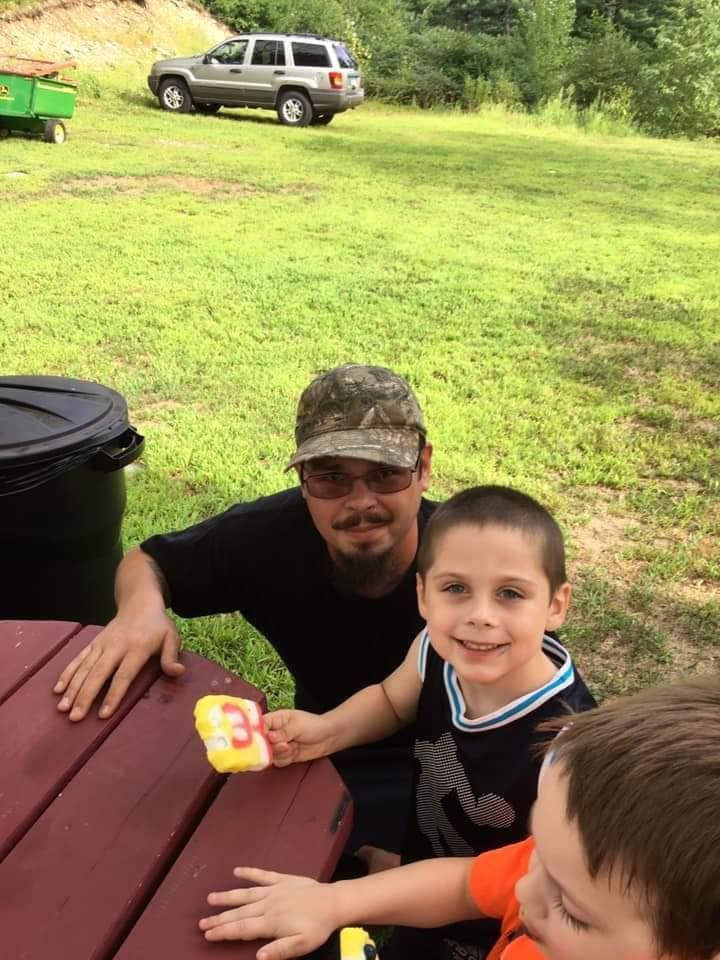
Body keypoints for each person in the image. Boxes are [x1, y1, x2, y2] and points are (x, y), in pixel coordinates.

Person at [53, 363, 435, 853]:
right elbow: (149, 562)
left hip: (453, 765)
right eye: (331, 478)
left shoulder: (467, 564)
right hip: (321, 753)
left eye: (385, 475)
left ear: (423, 468)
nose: (360, 502)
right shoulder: (268, 537)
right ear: (301, 479)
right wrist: (139, 612)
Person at [252, 486, 596, 959]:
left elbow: (552, 881)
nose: (479, 616)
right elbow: (391, 702)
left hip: (499, 928)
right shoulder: (434, 650)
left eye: (510, 594)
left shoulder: (569, 745)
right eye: (455, 588)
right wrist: (325, 730)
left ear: (556, 605)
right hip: (429, 872)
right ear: (423, 594)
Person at [198, 677, 720, 960]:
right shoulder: (572, 877)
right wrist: (334, 902)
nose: (522, 894)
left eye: (572, 910)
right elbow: (466, 885)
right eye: (537, 852)